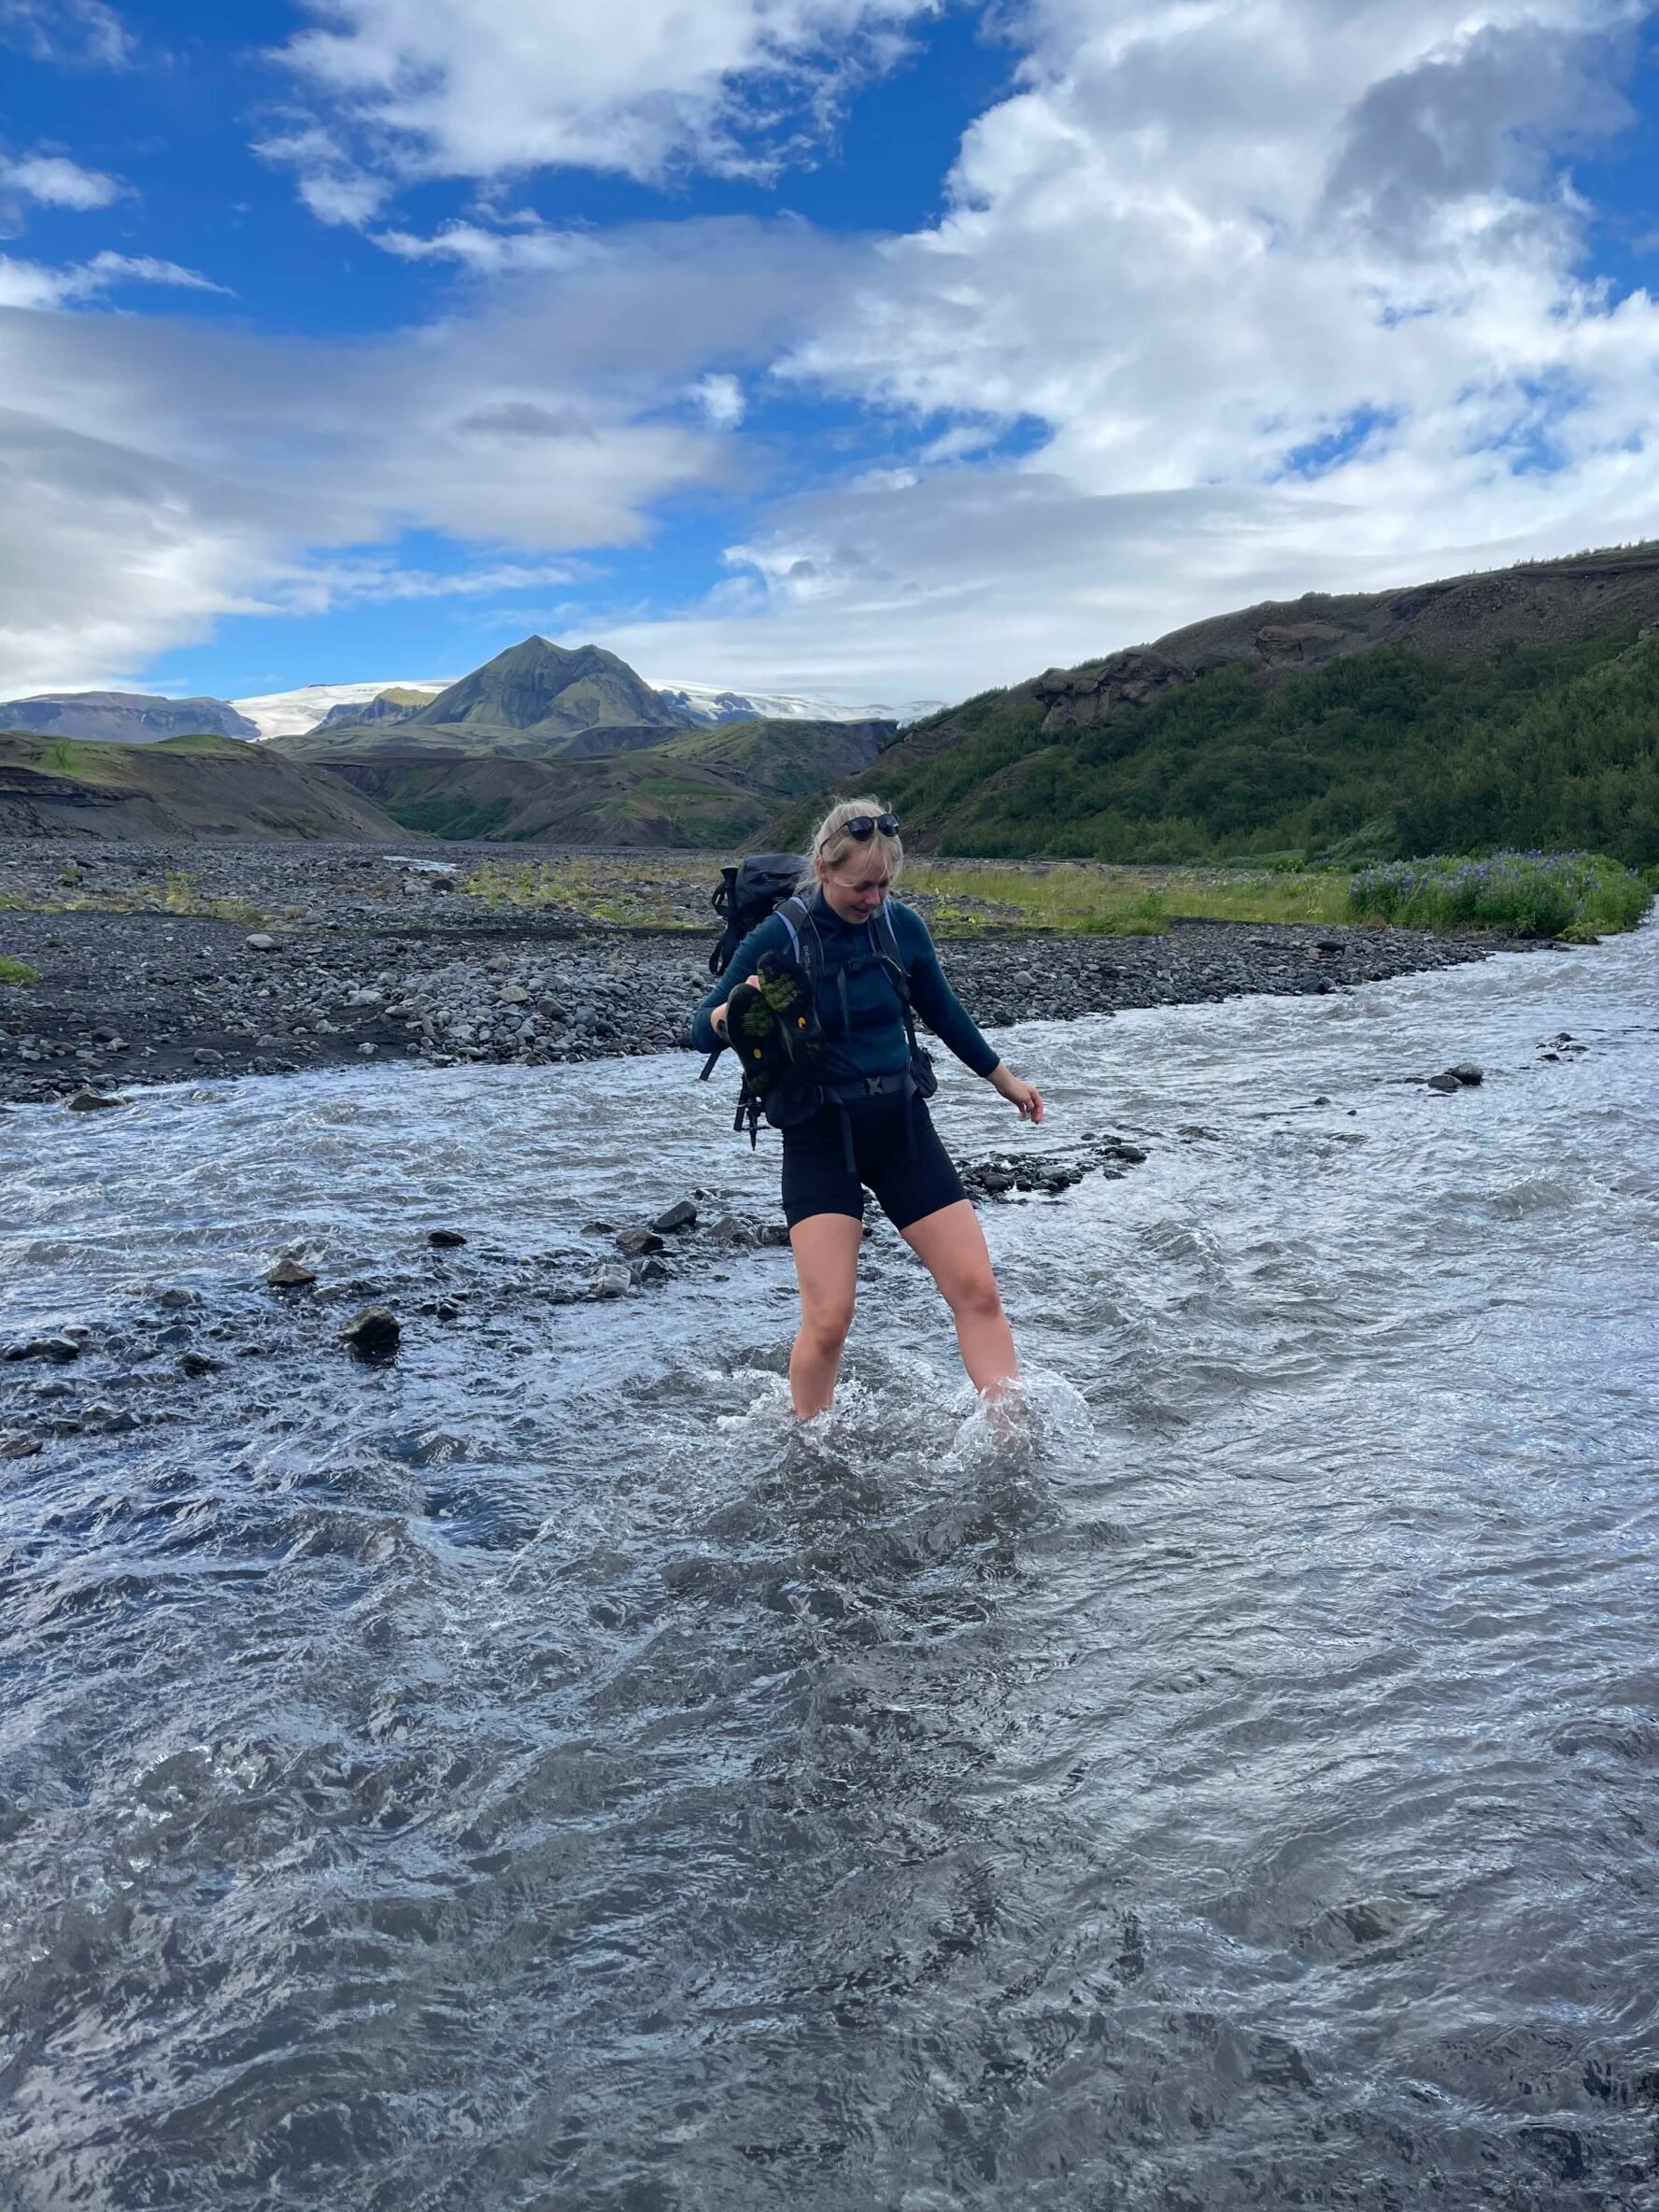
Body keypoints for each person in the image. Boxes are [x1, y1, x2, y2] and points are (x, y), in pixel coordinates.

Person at [693, 799, 1044, 1419]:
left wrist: (1003, 1079)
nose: (874, 899)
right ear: (825, 870)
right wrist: (732, 1016)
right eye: (861, 886)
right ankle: (809, 1443)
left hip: (900, 1124)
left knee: (977, 1290)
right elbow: (700, 1027)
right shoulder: (781, 935)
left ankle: (1010, 1435)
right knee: (829, 1321)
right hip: (819, 1131)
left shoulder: (901, 927)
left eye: (884, 885)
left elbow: (944, 1011)